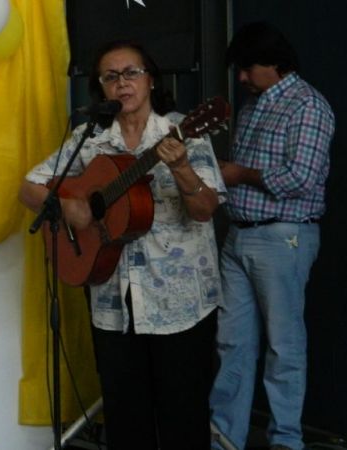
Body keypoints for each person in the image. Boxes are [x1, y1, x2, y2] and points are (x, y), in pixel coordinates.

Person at [19, 40, 226, 449]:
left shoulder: (183, 132)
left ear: (150, 80)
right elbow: (29, 187)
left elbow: (205, 208)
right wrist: (69, 208)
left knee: (183, 421)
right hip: (113, 305)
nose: (122, 84)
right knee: (127, 425)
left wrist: (182, 168)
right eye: (111, 77)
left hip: (179, 306)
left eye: (131, 73)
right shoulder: (90, 140)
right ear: (101, 87)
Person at [209, 22, 335, 450]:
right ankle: (226, 437)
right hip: (238, 237)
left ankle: (286, 441)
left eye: (248, 68)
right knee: (232, 344)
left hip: (283, 240)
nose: (242, 78)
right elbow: (245, 173)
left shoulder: (308, 106)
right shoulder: (252, 104)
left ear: (275, 63)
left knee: (283, 347)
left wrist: (238, 173)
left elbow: (301, 178)